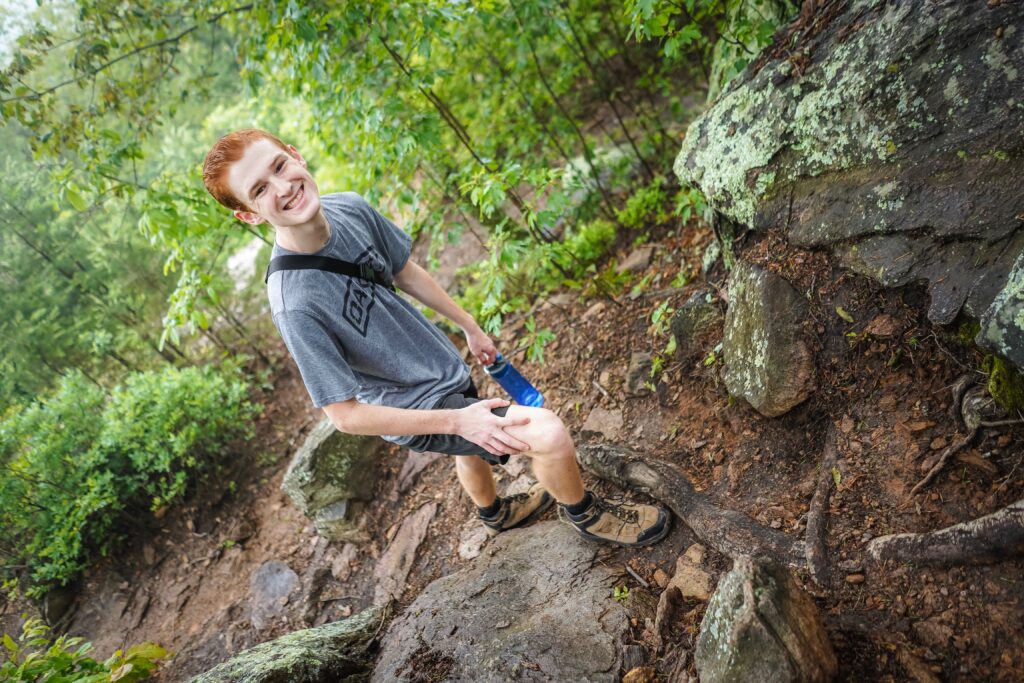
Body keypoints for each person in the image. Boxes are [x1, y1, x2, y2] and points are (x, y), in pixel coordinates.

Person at [201, 129, 670, 547]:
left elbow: (404, 270)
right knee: (547, 433)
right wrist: (457, 422)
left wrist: (469, 325)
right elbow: (343, 415)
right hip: (413, 407)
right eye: (260, 190)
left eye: (279, 166)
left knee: (473, 440)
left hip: (438, 364)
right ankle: (587, 516)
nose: (283, 187)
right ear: (249, 216)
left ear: (295, 155)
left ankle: (495, 513)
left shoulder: (349, 208)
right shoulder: (295, 303)